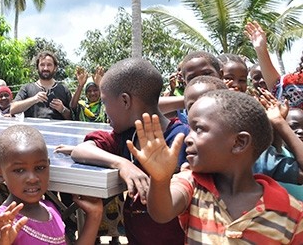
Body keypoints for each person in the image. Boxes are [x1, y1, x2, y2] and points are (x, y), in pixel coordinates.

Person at [127, 90, 303, 243]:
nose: (188, 138)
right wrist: (160, 179)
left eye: (199, 129)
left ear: (239, 143)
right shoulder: (192, 184)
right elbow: (161, 212)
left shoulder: (291, 212)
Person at [70, 58, 188, 245]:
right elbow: (81, 150)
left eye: (106, 103)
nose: (106, 111)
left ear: (125, 100)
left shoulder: (181, 139)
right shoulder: (126, 136)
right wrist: (121, 163)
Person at [0, 125, 103, 245]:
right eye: (19, 170)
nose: (32, 179)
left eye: (40, 168)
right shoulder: (2, 222)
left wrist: (94, 216)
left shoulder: (50, 210)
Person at [246, 20, 303, 109]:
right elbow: (277, 86)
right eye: (257, 78)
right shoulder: (296, 84)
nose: (261, 81)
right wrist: (261, 49)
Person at [10, 52, 72, 120]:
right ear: (37, 67)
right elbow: (13, 109)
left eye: (49, 65)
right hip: (33, 130)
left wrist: (62, 109)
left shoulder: (64, 89)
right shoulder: (27, 88)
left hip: (57, 130)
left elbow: (74, 118)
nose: (45, 68)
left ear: (55, 68)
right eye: (42, 65)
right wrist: (34, 99)